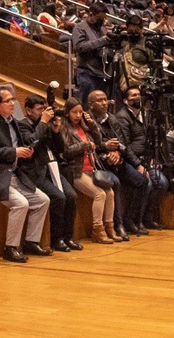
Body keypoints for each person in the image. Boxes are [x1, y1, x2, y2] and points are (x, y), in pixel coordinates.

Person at [0, 86, 51, 262]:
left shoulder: (13, 121)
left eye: (13, 99)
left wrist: (27, 149)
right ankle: (10, 248)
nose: (12, 103)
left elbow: (29, 141)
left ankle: (31, 242)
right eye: (7, 101)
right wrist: (14, 152)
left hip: (16, 175)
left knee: (42, 200)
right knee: (21, 204)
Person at [21, 95, 81, 252]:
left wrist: (55, 131)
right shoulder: (22, 125)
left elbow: (60, 149)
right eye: (39, 110)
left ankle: (68, 237)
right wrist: (42, 123)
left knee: (72, 196)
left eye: (44, 109)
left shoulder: (46, 126)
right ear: (28, 110)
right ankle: (57, 239)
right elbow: (31, 142)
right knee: (58, 197)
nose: (43, 113)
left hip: (53, 169)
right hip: (35, 171)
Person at [89, 90, 148, 238]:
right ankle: (118, 224)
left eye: (105, 99)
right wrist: (106, 149)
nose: (104, 103)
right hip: (101, 163)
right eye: (100, 100)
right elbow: (92, 145)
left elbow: (123, 143)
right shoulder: (88, 121)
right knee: (115, 183)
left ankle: (129, 219)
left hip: (117, 160)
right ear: (90, 104)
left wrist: (119, 153)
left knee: (142, 180)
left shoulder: (113, 119)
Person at [112, 86, 167, 230]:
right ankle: (131, 220)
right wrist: (137, 164)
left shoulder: (145, 113)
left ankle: (146, 218)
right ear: (125, 100)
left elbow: (151, 138)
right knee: (146, 182)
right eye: (133, 95)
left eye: (138, 94)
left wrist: (154, 157)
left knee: (162, 182)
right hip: (130, 160)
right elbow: (124, 145)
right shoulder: (122, 117)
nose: (137, 97)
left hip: (146, 158)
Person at [63, 98, 116, 243]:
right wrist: (84, 145)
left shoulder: (84, 127)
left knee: (110, 193)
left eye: (80, 112)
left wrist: (92, 124)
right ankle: (97, 230)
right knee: (99, 194)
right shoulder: (64, 128)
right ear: (67, 113)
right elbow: (66, 150)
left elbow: (99, 142)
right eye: (74, 112)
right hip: (76, 172)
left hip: (91, 169)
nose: (78, 115)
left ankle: (109, 227)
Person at [71, 2, 115, 104]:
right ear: (91, 14)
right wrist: (102, 41)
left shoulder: (102, 29)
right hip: (87, 73)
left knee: (101, 106)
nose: (102, 21)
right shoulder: (80, 28)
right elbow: (79, 47)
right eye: (99, 18)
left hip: (102, 73)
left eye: (103, 18)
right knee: (87, 105)